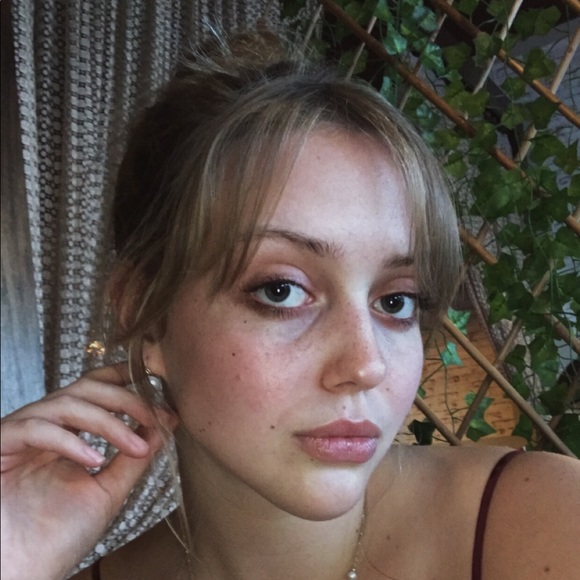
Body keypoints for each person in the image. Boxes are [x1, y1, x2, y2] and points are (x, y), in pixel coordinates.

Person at [1, 30, 578, 580]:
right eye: (282, 290)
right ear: (146, 313)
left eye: (396, 300)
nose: (366, 364)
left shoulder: (549, 525)